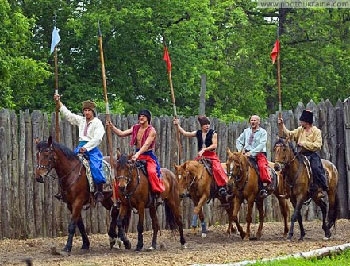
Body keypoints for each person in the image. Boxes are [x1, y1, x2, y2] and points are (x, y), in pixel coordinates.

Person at [53, 94, 106, 202]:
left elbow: (98, 138)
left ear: (93, 112)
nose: (86, 112)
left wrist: (86, 147)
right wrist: (59, 102)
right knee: (67, 165)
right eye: (85, 110)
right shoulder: (81, 120)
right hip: (79, 148)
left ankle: (99, 190)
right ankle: (64, 190)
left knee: (95, 167)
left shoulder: (97, 123)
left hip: (92, 149)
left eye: (88, 110)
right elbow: (68, 115)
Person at [106, 109, 165, 202]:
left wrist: (137, 154)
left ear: (148, 118)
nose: (141, 118)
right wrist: (112, 127)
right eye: (140, 116)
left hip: (148, 156)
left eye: (143, 116)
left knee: (152, 172)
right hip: (136, 156)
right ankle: (119, 195)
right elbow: (121, 134)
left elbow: (146, 144)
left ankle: (156, 194)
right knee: (123, 170)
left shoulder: (152, 131)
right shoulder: (135, 128)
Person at [173, 116, 229, 197]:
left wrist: (204, 149)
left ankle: (221, 186)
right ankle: (191, 189)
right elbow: (185, 133)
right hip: (201, 157)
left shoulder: (213, 133)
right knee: (190, 169)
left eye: (208, 124)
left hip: (211, 156)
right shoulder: (198, 133)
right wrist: (177, 125)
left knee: (217, 168)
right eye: (205, 124)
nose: (207, 126)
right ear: (201, 125)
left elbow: (214, 145)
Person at [278, 109, 329, 198]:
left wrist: (304, 144)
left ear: (307, 122)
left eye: (302, 121)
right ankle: (287, 190)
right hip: (300, 154)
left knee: (316, 168)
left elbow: (318, 145)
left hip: (311, 155)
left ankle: (320, 189)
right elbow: (289, 134)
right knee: (286, 168)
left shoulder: (316, 131)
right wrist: (282, 125)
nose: (300, 122)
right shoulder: (300, 130)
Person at [236, 115, 271, 198]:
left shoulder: (263, 132)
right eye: (251, 120)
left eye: (255, 120)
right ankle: (234, 187)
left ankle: (263, 188)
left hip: (259, 154)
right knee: (236, 165)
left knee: (261, 167)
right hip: (246, 154)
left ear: (259, 122)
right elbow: (238, 141)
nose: (253, 122)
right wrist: (241, 150)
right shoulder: (246, 131)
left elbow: (262, 144)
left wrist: (252, 153)